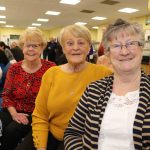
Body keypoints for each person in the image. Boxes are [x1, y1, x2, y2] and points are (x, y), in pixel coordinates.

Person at [64, 19, 150, 150]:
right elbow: (73, 133)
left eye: (131, 43)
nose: (124, 51)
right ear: (108, 53)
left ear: (141, 47)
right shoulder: (93, 89)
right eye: (116, 46)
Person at [32, 24, 112, 150]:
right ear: (63, 48)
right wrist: (41, 147)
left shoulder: (104, 74)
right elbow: (40, 115)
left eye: (81, 43)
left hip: (86, 141)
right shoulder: (51, 74)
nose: (75, 48)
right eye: (70, 43)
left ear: (89, 47)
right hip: (52, 136)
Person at [0, 28, 55, 150]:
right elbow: (6, 95)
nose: (31, 49)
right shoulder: (14, 68)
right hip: (12, 108)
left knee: (11, 131)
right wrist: (14, 113)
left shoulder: (51, 68)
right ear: (22, 47)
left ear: (42, 48)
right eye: (27, 45)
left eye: (35, 46)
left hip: (36, 113)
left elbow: (54, 97)